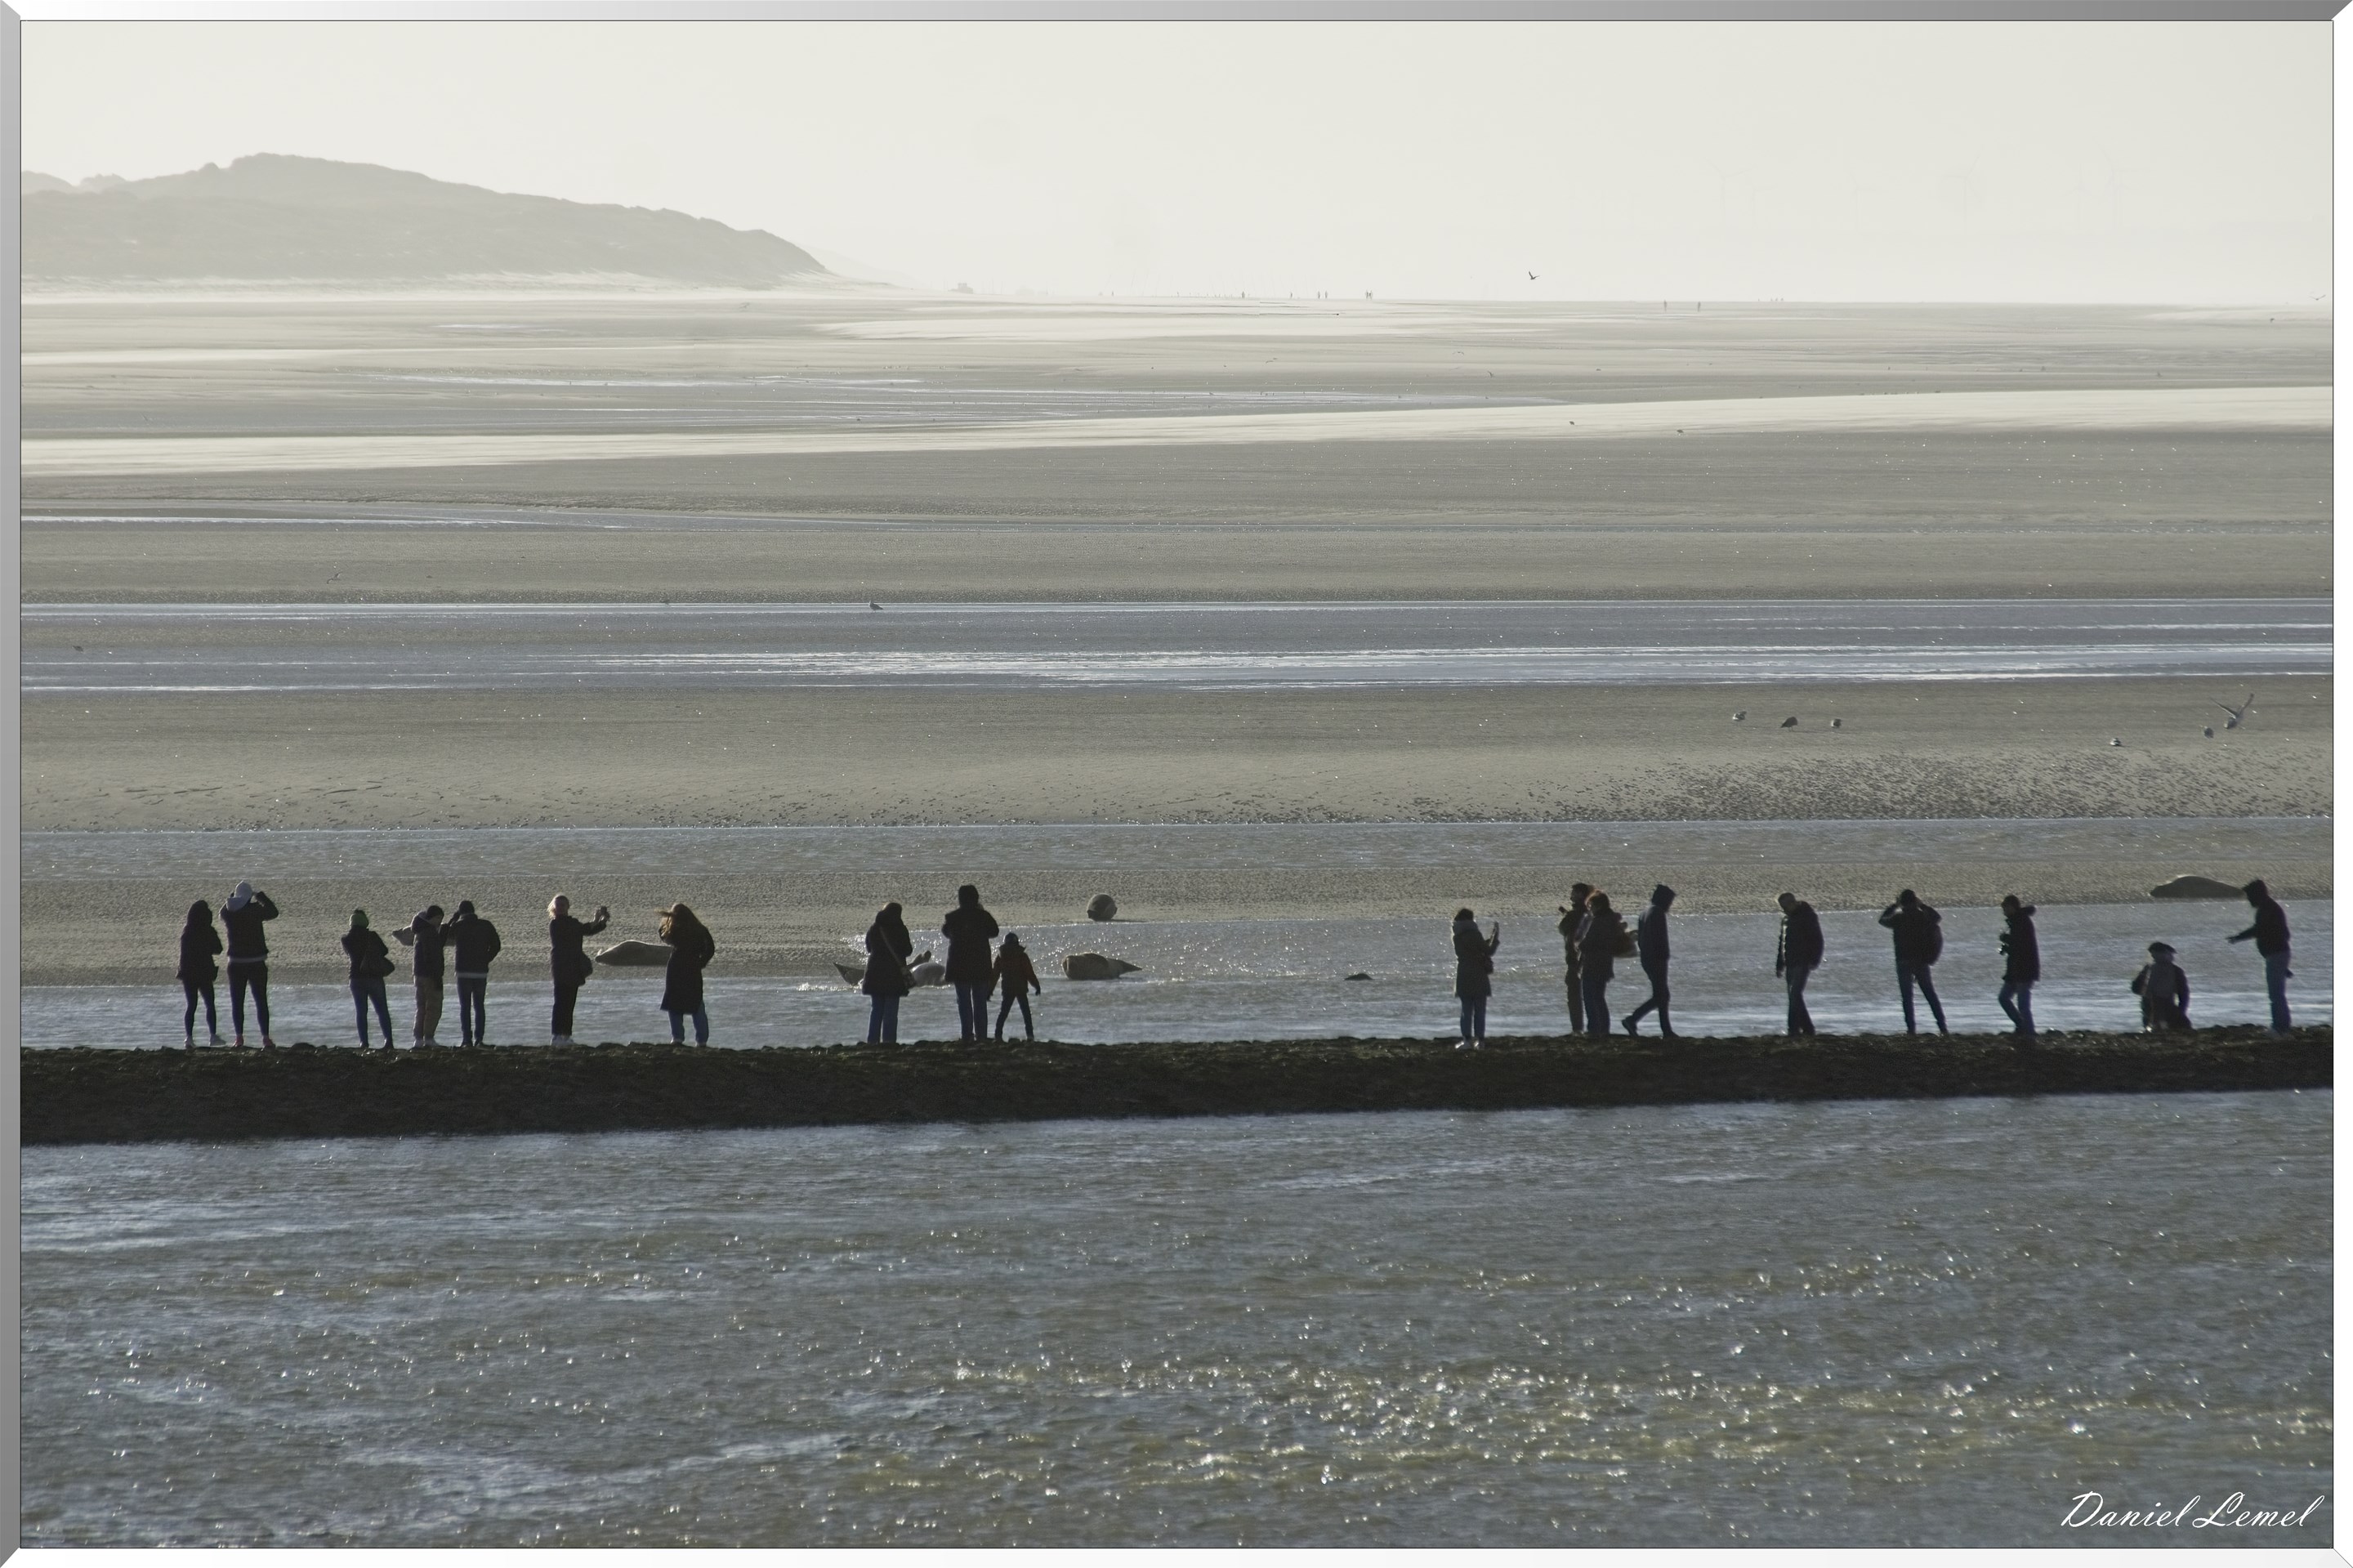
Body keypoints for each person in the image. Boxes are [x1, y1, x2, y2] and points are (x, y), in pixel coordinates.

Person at [1877, 889, 1948, 1035]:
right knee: (1930, 994)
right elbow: (1937, 918)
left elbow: (1882, 920)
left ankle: (1911, 1029)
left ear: (1902, 902)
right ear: (1915, 901)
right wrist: (1922, 906)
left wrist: (1893, 906)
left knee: (1907, 997)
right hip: (1921, 961)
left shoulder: (1898, 918)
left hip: (1903, 960)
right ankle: (1942, 1027)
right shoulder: (1922, 916)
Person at [2227, 878, 2293, 1034]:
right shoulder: (2269, 908)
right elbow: (2284, 934)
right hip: (2277, 955)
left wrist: (2238, 937)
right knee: (2277, 993)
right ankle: (2281, 1026)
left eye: (2250, 895)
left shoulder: (2267, 908)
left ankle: (2280, 1028)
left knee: (2275, 995)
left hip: (2276, 955)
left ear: (2258, 894)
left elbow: (2260, 930)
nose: (2248, 899)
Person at [219, 880, 279, 1049]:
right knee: (261, 1001)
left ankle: (239, 1037)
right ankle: (266, 1038)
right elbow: (274, 912)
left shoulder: (229, 912)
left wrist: (232, 897)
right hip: (256, 961)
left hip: (235, 963)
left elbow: (222, 912)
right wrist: (260, 896)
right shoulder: (254, 910)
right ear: (249, 896)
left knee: (237, 1001)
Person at [547, 894, 609, 1046]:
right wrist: (595, 921)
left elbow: (586, 930)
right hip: (561, 967)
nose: (561, 907)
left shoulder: (572, 923)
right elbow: (579, 930)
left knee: (570, 1003)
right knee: (560, 1003)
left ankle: (566, 1036)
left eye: (563, 905)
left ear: (568, 906)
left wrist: (601, 920)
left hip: (574, 967)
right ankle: (556, 1036)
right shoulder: (555, 924)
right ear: (554, 908)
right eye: (558, 905)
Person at [941, 884, 1001, 1043]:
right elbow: (994, 932)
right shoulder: (983, 916)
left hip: (959, 965)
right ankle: (981, 1035)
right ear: (976, 898)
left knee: (964, 1002)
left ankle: (967, 1035)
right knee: (980, 1002)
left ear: (960, 899)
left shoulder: (953, 918)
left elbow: (946, 932)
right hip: (980, 964)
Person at [444, 900, 502, 1047]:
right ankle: (480, 1039)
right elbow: (496, 945)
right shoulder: (486, 925)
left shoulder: (458, 926)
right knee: (479, 1006)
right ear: (474, 911)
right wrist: (486, 959)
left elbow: (445, 936)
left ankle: (466, 1039)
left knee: (465, 1006)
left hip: (463, 972)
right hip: (480, 972)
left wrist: (453, 918)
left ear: (461, 912)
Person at [1623, 883, 1677, 1038]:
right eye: (1669, 901)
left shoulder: (1645, 912)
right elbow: (1660, 940)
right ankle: (1633, 1020)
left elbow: (1641, 938)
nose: (1670, 905)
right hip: (1657, 960)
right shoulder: (1657, 912)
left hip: (1648, 959)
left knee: (1661, 995)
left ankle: (1665, 1029)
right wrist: (1663, 957)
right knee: (1662, 996)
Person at [658, 902, 716, 1046]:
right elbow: (710, 948)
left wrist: (667, 921)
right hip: (693, 968)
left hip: (676, 968)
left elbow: (662, 935)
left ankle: (677, 1038)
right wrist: (702, 962)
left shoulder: (674, 931)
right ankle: (702, 1041)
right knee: (697, 1003)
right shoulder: (700, 930)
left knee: (674, 1003)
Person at [341, 909, 396, 1048]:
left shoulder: (346, 939)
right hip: (374, 976)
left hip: (355, 978)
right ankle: (388, 1041)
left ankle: (364, 1042)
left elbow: (350, 954)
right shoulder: (372, 936)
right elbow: (385, 951)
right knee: (382, 1010)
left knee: (361, 1012)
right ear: (365, 921)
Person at [393, 905, 448, 1047]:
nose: (440, 922)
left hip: (419, 974)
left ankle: (419, 1038)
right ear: (431, 918)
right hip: (430, 974)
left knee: (421, 1006)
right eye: (438, 918)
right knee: (434, 1007)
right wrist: (436, 976)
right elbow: (432, 955)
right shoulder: (429, 933)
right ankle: (428, 1038)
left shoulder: (420, 931)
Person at [861, 902, 914, 1043]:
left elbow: (869, 948)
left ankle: (872, 1041)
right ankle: (889, 1042)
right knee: (891, 1011)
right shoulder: (900, 929)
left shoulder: (874, 928)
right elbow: (908, 950)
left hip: (874, 973)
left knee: (876, 1010)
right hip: (893, 974)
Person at [1574, 891, 1625, 1037]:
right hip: (1605, 964)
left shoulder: (1599, 921)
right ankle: (1604, 1029)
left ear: (1598, 905)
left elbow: (1587, 943)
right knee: (1599, 998)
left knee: (1590, 998)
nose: (1590, 909)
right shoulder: (1611, 920)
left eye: (1591, 906)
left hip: (1593, 964)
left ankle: (1594, 1029)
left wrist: (1579, 945)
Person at [1775, 891, 1823, 1038]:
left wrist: (1815, 960)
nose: (1783, 909)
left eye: (1784, 906)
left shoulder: (1808, 916)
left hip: (1803, 962)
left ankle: (1793, 1029)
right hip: (1790, 962)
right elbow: (1782, 942)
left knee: (1795, 994)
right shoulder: (1785, 919)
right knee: (1794, 996)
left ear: (1792, 903)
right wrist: (1779, 964)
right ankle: (1808, 1028)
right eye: (1781, 907)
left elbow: (1818, 939)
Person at [176, 899, 223, 1049]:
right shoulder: (208, 931)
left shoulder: (187, 932)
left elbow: (184, 956)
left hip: (188, 974)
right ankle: (213, 1036)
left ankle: (189, 1038)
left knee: (192, 1005)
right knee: (210, 1004)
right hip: (204, 972)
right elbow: (219, 949)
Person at [1451, 908, 1500, 1048]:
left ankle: (1466, 1040)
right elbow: (1488, 951)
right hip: (1478, 974)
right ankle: (1480, 1041)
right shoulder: (1474, 933)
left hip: (1463, 974)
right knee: (1480, 1010)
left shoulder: (1456, 935)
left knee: (1466, 1010)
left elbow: (1470, 950)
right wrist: (1495, 937)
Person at [1997, 894, 2040, 1043]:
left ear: (2012, 907)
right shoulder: (2017, 921)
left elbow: (2021, 945)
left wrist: (2006, 940)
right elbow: (2018, 946)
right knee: (2004, 998)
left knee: (2023, 1004)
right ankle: (2022, 1026)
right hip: (2015, 969)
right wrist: (2007, 945)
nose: (2004, 911)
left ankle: (2029, 1033)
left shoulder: (2022, 921)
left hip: (2025, 969)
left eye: (2005, 908)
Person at [1555, 882, 1593, 1033]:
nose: (1571, 895)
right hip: (1585, 959)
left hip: (1575, 960)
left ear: (1581, 895)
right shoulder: (1587, 913)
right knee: (1588, 995)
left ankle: (1577, 1028)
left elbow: (1563, 929)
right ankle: (1590, 1027)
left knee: (1574, 996)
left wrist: (1566, 916)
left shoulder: (1577, 914)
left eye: (1574, 893)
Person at [993, 931, 1044, 1042]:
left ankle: (997, 1035)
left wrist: (989, 990)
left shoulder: (1001, 957)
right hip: (1021, 988)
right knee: (1026, 1014)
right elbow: (1029, 973)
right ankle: (1030, 1036)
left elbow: (995, 975)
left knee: (1003, 1013)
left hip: (1007, 989)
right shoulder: (1022, 956)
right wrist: (1036, 986)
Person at [2132, 941, 2192, 1031]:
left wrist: (2181, 1010)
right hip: (2154, 1005)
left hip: (2163, 1004)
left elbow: (2183, 993)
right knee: (2178, 1026)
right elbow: (2136, 988)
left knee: (2181, 1025)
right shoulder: (2150, 969)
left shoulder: (2174, 971)